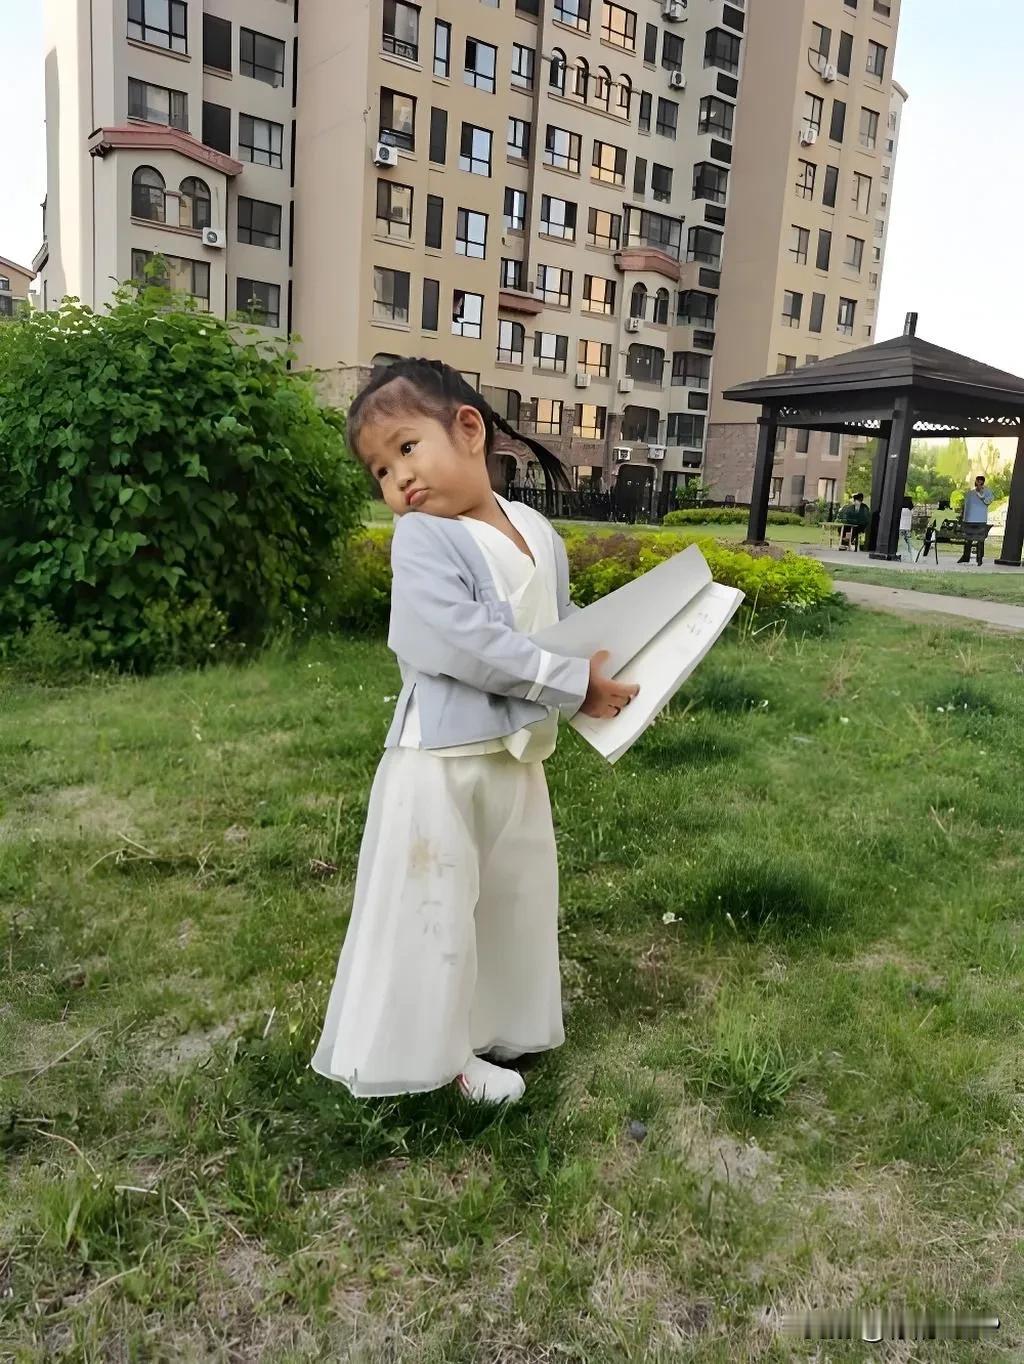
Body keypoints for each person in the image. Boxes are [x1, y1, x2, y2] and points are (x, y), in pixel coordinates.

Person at [311, 359, 638, 1105]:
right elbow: (460, 642)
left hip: (516, 757)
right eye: (380, 470)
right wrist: (568, 682)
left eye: (406, 448)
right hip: (442, 759)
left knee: (513, 891)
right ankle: (437, 1055)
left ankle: (498, 1023)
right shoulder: (424, 539)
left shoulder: (535, 531)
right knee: (435, 901)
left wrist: (595, 673)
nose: (398, 478)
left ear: (467, 429)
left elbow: (552, 628)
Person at [957, 475, 994, 565]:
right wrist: (963, 518)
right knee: (967, 539)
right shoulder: (970, 493)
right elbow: (966, 506)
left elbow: (988, 501)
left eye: (980, 483)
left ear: (983, 483)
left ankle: (979, 558)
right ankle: (965, 557)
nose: (978, 484)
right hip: (969, 520)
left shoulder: (988, 492)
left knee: (980, 540)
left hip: (980, 520)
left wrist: (981, 495)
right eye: (977, 482)